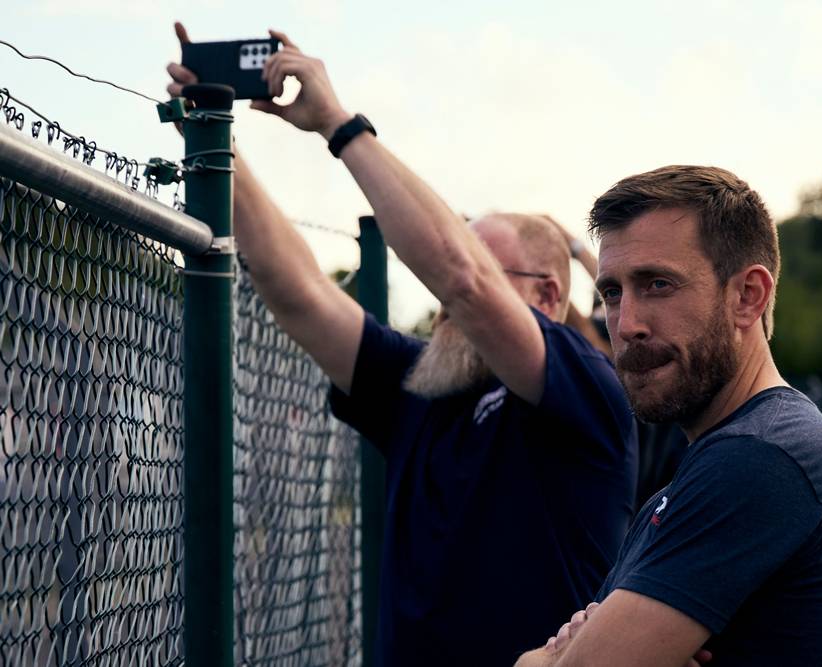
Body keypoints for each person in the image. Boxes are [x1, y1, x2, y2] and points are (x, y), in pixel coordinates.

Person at [167, 25, 637, 667]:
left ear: (548, 297)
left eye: (487, 267)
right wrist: (217, 139)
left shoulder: (584, 385)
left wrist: (338, 123)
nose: (444, 300)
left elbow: (462, 278)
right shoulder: (422, 385)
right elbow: (300, 290)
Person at [516, 165, 822, 666]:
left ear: (747, 296)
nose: (626, 325)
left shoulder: (760, 459)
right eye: (612, 293)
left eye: (658, 284)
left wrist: (546, 657)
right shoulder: (734, 453)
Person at [550, 218, 690, 508]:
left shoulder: (635, 347)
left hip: (657, 477)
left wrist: (571, 244)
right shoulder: (602, 342)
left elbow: (593, 334)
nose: (626, 325)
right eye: (612, 296)